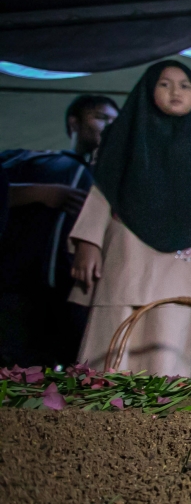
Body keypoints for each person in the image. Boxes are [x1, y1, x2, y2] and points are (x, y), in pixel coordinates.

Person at [68, 61, 191, 376]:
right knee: (114, 339)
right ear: (148, 88)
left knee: (171, 335)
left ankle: (159, 420)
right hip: (127, 251)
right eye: (164, 84)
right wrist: (88, 242)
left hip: (184, 258)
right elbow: (104, 189)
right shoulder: (124, 134)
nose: (175, 92)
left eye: (184, 85)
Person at [0, 94, 119, 367]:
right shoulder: (34, 160)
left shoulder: (111, 177)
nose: (109, 126)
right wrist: (41, 193)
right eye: (101, 118)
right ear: (74, 123)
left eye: (115, 121)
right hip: (19, 287)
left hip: (72, 291)